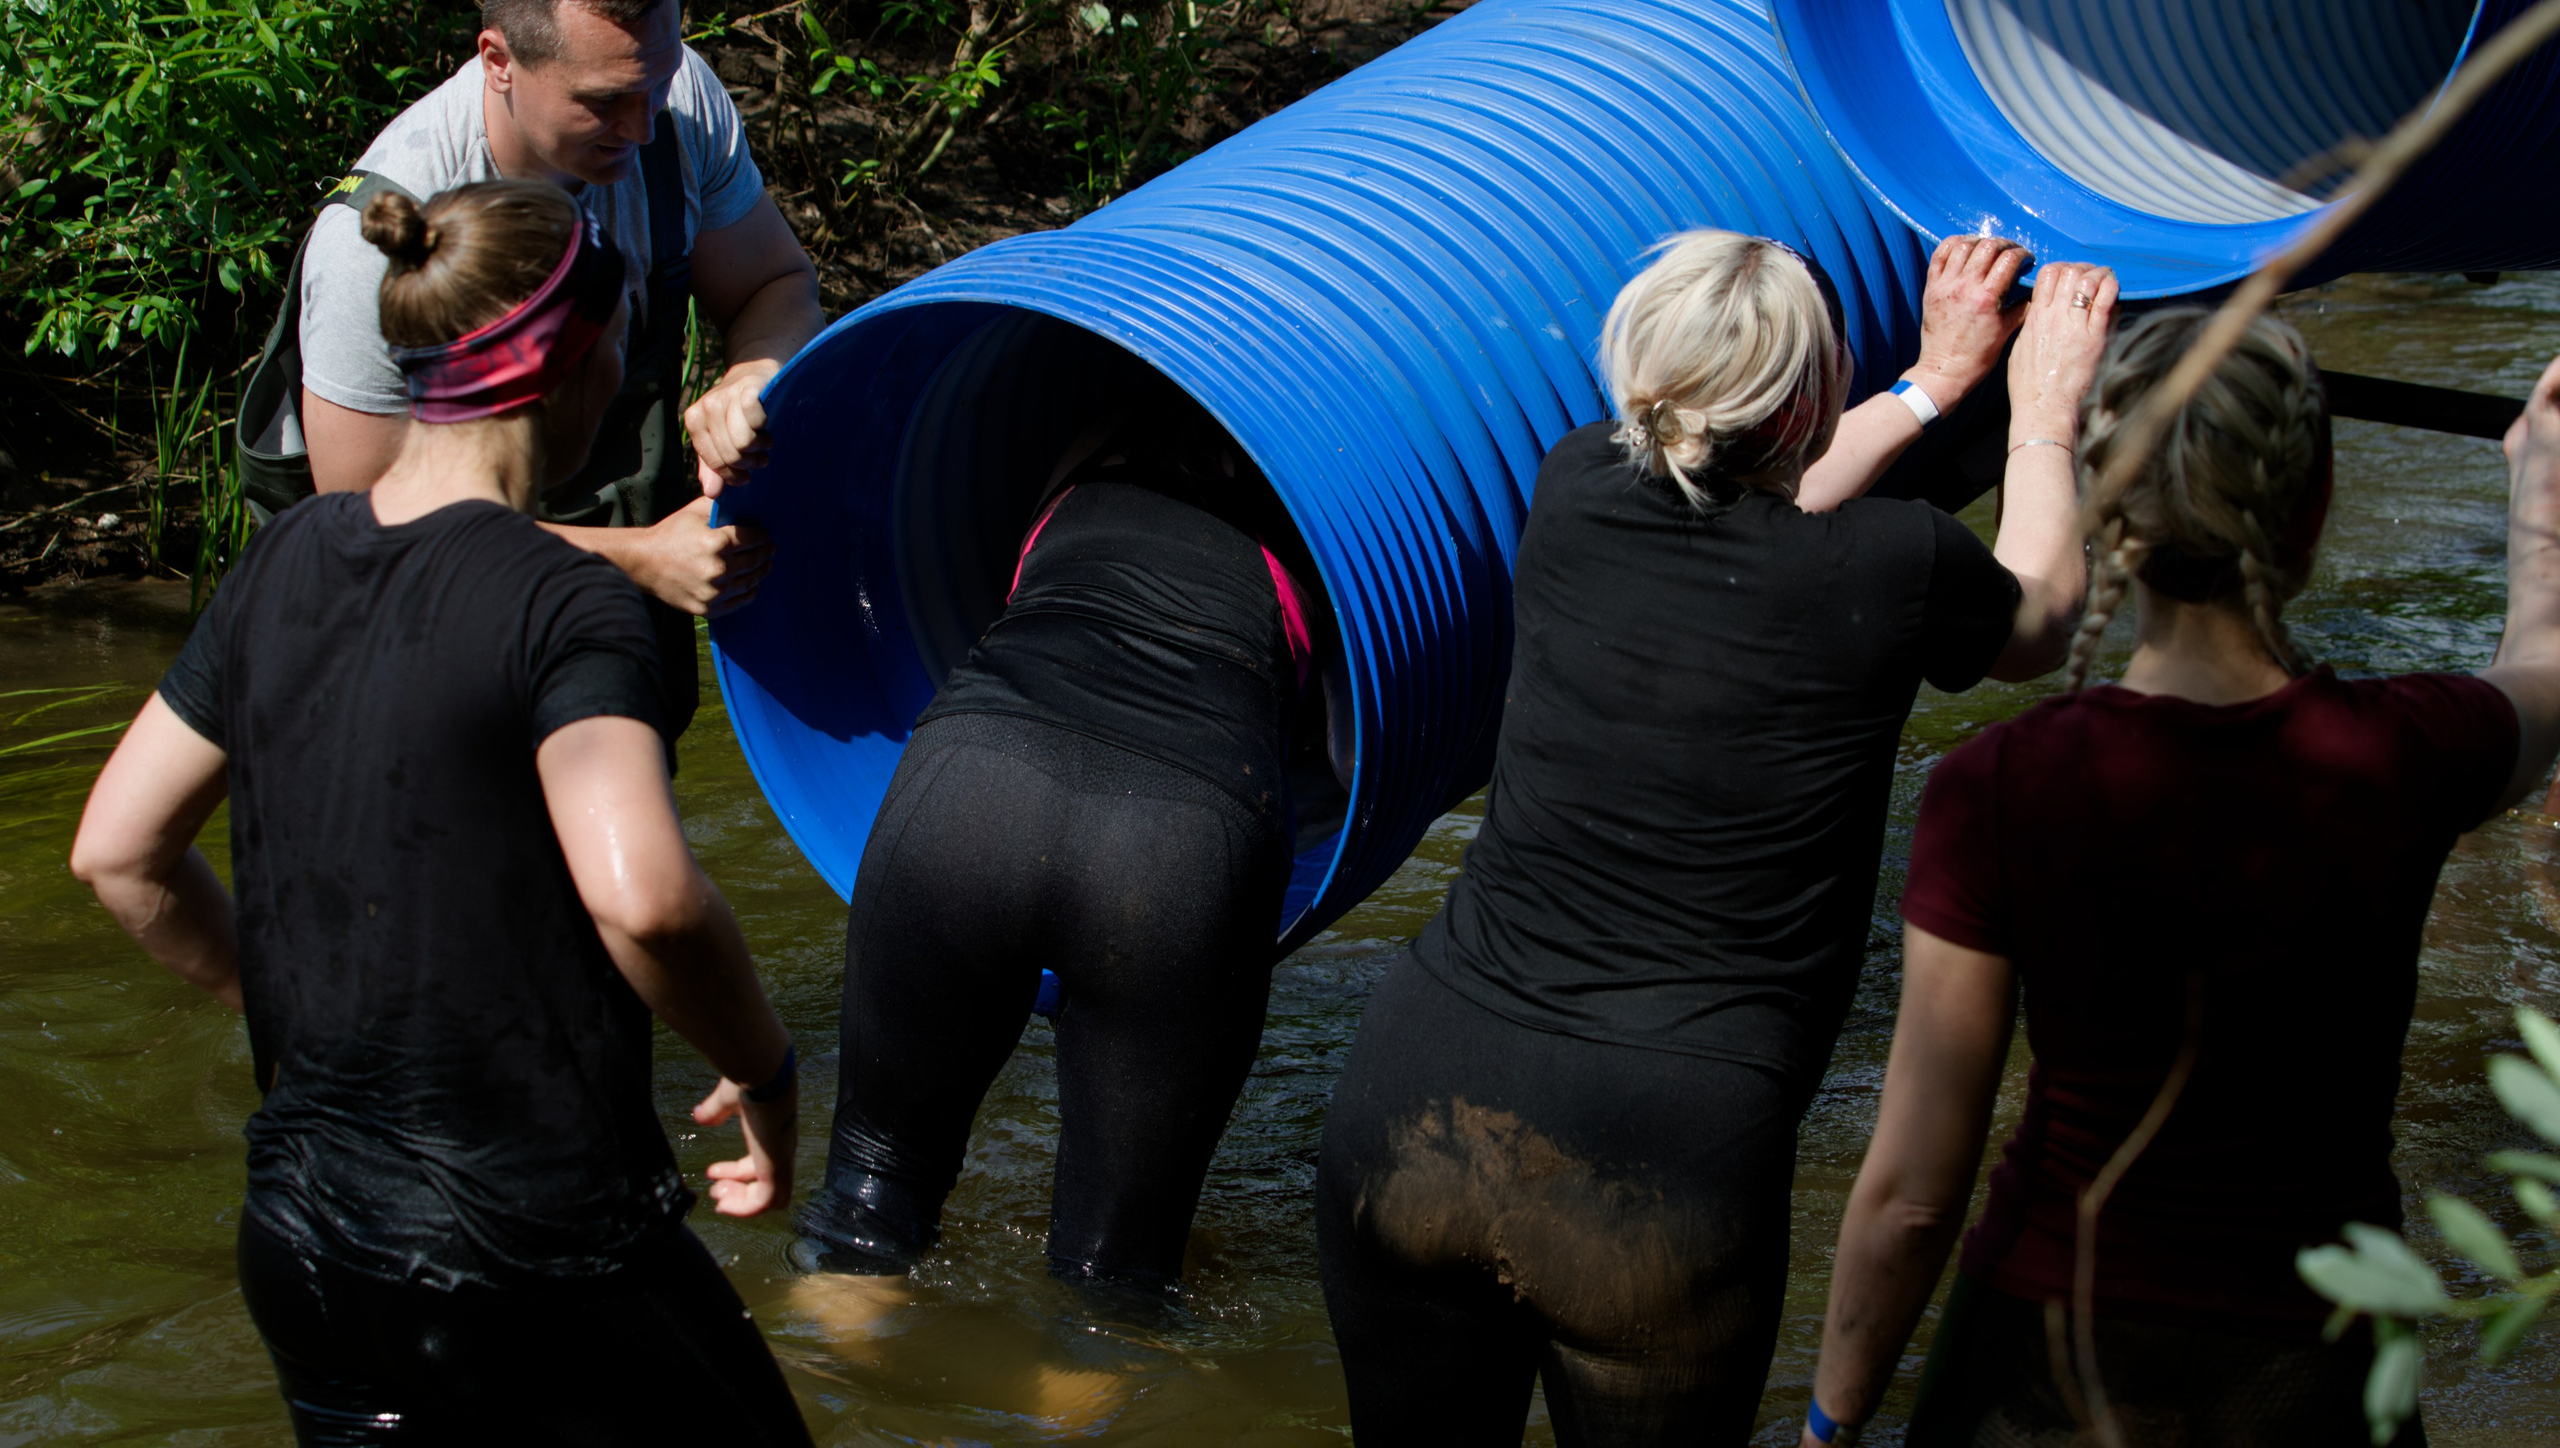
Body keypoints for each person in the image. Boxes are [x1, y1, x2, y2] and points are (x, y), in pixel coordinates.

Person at [1315, 232, 2121, 1445]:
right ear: (1808, 394)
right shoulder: (1895, 569)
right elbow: (2039, 618)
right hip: (1658, 1164)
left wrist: (1927, 385)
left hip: (1410, 1102)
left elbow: (1752, 483)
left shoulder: (1571, 482)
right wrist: (2039, 414)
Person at [71, 180, 812, 1444]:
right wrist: (764, 1066)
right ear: (578, 359)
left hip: (303, 1241)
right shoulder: (568, 605)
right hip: (528, 1248)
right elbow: (643, 900)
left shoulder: (279, 562)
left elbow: (120, 853)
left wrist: (298, 1002)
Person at [1798, 312, 2560, 1448]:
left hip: (2044, 1357)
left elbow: (1912, 1192)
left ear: (2111, 519)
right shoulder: (2408, 751)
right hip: (2315, 1358)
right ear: (2307, 509)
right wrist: (2538, 495)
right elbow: (2544, 667)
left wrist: (1827, 1424)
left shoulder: (2000, 784)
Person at [793, 370, 1351, 1304]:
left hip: (969, 782)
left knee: (865, 1210)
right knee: (1112, 1289)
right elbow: (1352, 753)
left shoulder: (1090, 439)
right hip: (1179, 838)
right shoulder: (1332, 508)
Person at [263, 0, 823, 732]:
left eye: (658, 85)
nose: (641, 131)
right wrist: (639, 561)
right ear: (498, 60)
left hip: (616, 584)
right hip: (416, 642)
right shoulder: (372, 245)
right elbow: (373, 541)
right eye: (601, 104)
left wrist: (752, 377)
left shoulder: (674, 102)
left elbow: (777, 284)